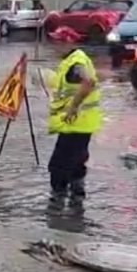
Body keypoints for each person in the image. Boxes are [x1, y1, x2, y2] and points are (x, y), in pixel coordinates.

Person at [46, 47, 103, 210]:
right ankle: (76, 199)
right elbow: (67, 85)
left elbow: (88, 82)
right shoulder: (75, 60)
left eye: (58, 41)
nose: (54, 45)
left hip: (75, 123)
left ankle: (58, 201)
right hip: (82, 123)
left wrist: (73, 107)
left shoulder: (76, 63)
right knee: (77, 161)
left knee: (58, 165)